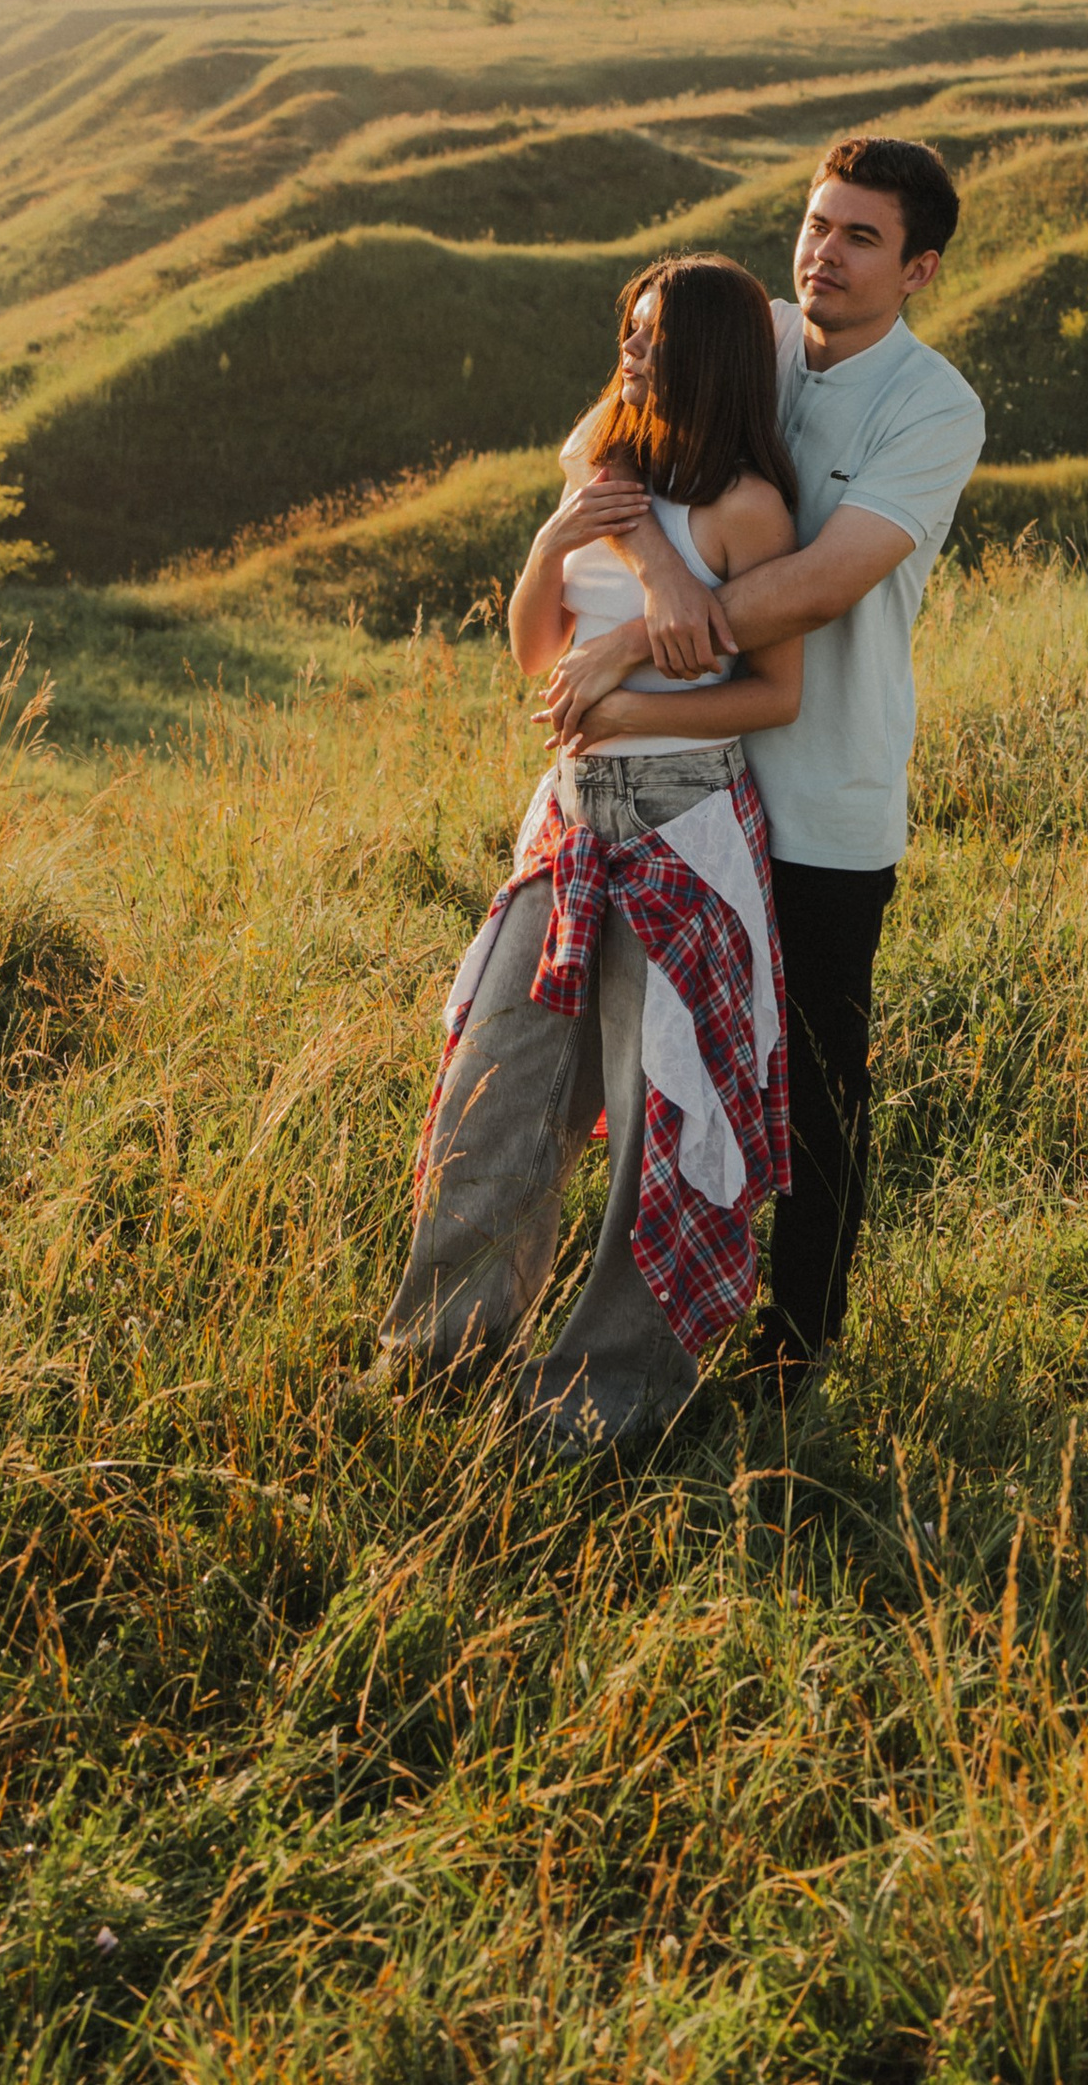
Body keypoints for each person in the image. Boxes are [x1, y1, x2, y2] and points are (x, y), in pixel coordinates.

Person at [542, 134, 984, 1398]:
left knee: (814, 1078)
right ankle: (648, 1306)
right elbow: (591, 451)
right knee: (662, 1063)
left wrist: (640, 634)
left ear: (919, 270)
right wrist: (663, 572)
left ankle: (796, 1344)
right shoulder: (755, 334)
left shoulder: (933, 406)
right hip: (677, 791)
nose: (823, 252)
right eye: (815, 222)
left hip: (819, 797)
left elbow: (824, 581)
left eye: (861, 236)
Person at [379, 252, 805, 1452]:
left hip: (682, 824)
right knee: (494, 1088)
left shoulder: (744, 508)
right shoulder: (606, 470)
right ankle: (436, 1358)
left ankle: (602, 1400)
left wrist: (634, 712)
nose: (628, 349)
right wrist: (553, 539)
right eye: (627, 326)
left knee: (657, 1113)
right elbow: (532, 652)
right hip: (568, 821)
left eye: (654, 335)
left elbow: (773, 692)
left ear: (708, 356)